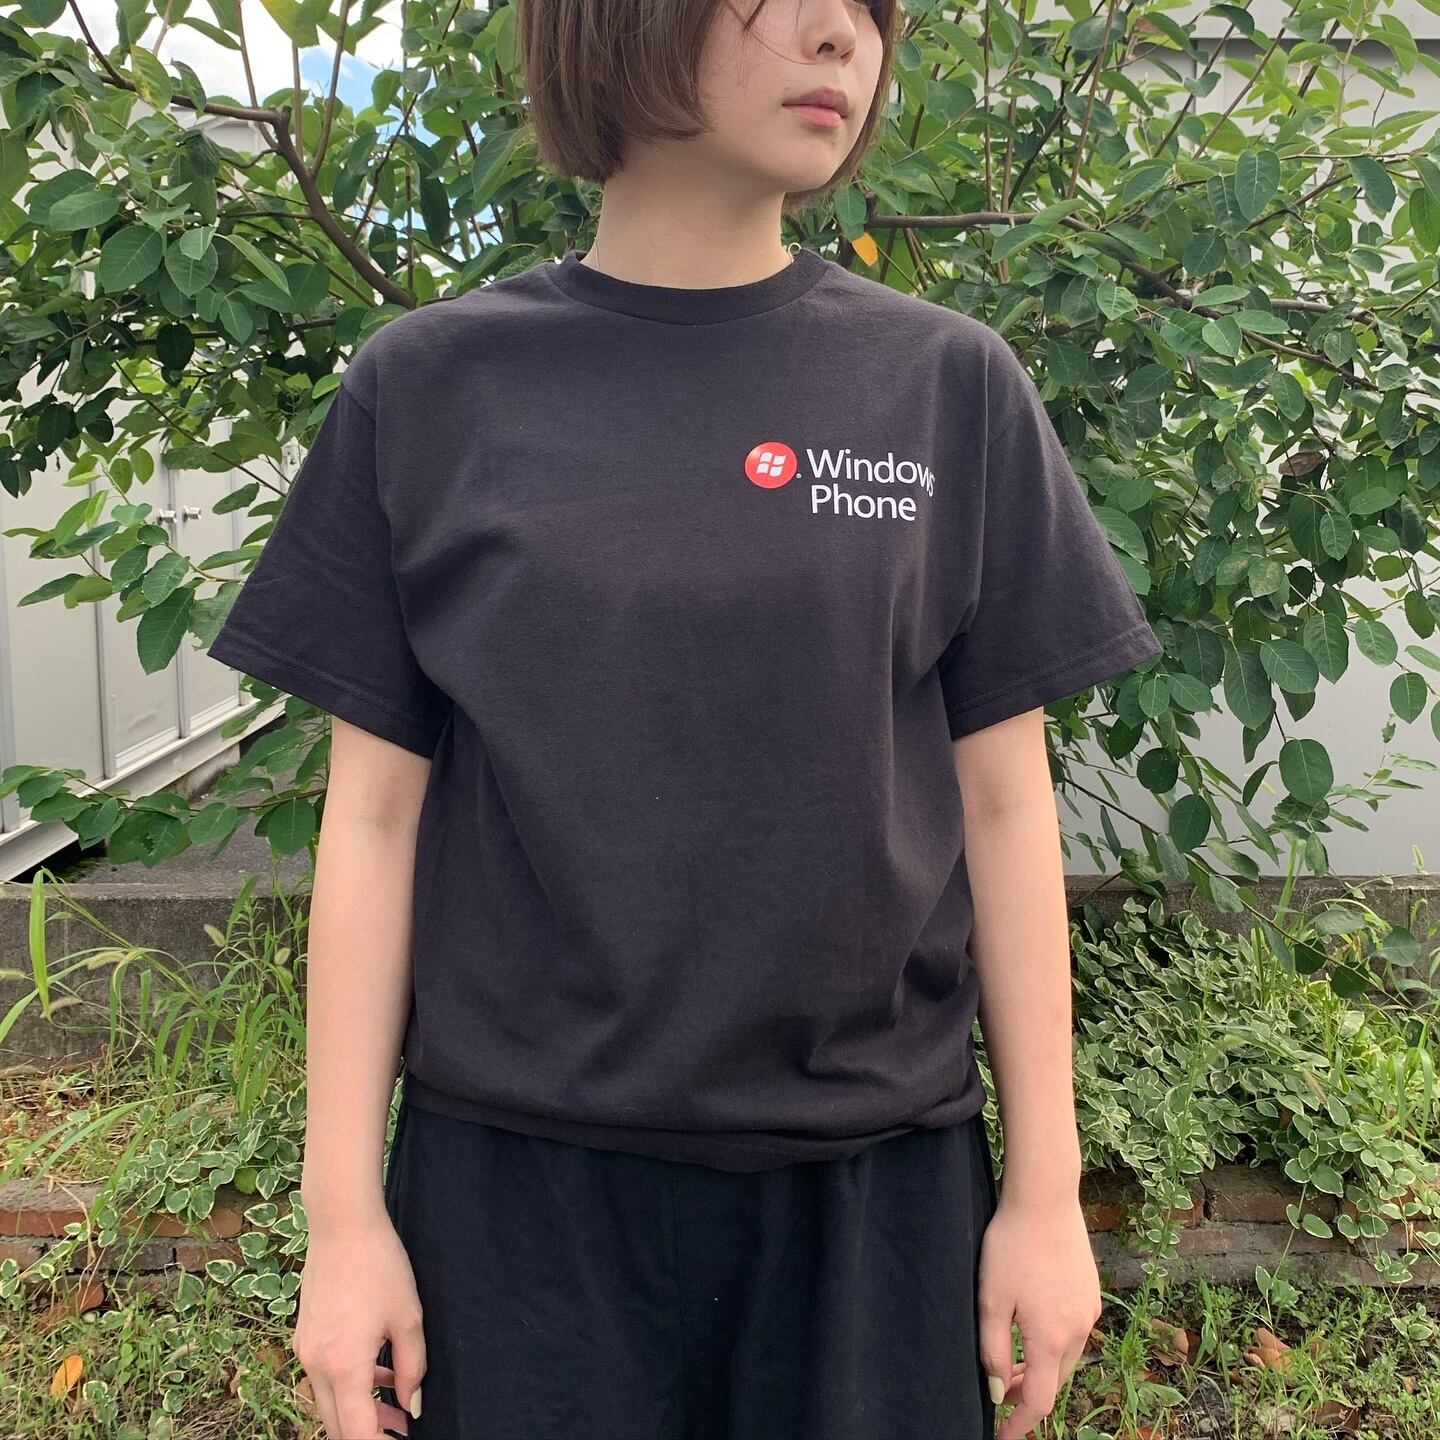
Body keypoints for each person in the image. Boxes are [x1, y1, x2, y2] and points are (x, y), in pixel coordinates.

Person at [206, 0, 1165, 1436]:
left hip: (875, 1191)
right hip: (518, 1196)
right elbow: (376, 819)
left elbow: (1006, 804)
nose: (843, 39)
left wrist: (1044, 1193)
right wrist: (342, 1224)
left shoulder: (945, 387)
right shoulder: (432, 387)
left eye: (869, 10)